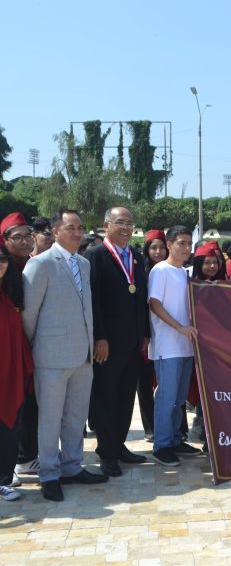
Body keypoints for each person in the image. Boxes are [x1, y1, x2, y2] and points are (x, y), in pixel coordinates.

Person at [22, 209, 108, 501]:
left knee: (75, 416)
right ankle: (49, 473)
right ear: (56, 231)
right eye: (71, 227)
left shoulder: (83, 264)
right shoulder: (41, 264)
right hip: (51, 356)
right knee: (49, 417)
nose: (78, 233)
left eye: (81, 228)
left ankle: (72, 466)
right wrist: (38, 346)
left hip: (82, 356)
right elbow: (29, 314)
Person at [85, 207, 149, 478]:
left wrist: (144, 333)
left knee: (125, 398)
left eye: (130, 223)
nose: (126, 228)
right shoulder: (96, 255)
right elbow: (93, 300)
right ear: (106, 225)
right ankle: (106, 453)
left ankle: (119, 445)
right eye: (120, 222)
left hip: (132, 341)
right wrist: (100, 336)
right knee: (106, 398)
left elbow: (140, 295)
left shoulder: (134, 254)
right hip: (107, 343)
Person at [148, 226, 202, 466]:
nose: (186, 248)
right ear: (169, 245)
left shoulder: (184, 273)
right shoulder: (160, 270)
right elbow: (154, 304)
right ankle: (161, 445)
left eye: (189, 243)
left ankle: (175, 439)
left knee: (179, 398)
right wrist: (179, 327)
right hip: (167, 346)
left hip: (186, 346)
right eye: (181, 243)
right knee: (166, 398)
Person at [2, 212, 39, 480]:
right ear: (5, 241)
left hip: (32, 345)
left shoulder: (35, 265)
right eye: (18, 237)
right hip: (8, 347)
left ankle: (26, 457)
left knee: (30, 403)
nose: (25, 241)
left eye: (28, 235)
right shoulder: (5, 268)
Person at [0, 243, 34, 501]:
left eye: (2, 258)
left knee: (10, 429)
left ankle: (3, 479)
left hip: (12, 372)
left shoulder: (11, 293)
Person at [138, 229, 169, 442]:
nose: (157, 251)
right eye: (153, 247)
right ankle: (150, 427)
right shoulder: (140, 272)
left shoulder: (172, 270)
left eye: (161, 247)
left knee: (168, 384)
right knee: (145, 382)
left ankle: (174, 428)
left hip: (167, 332)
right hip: (145, 333)